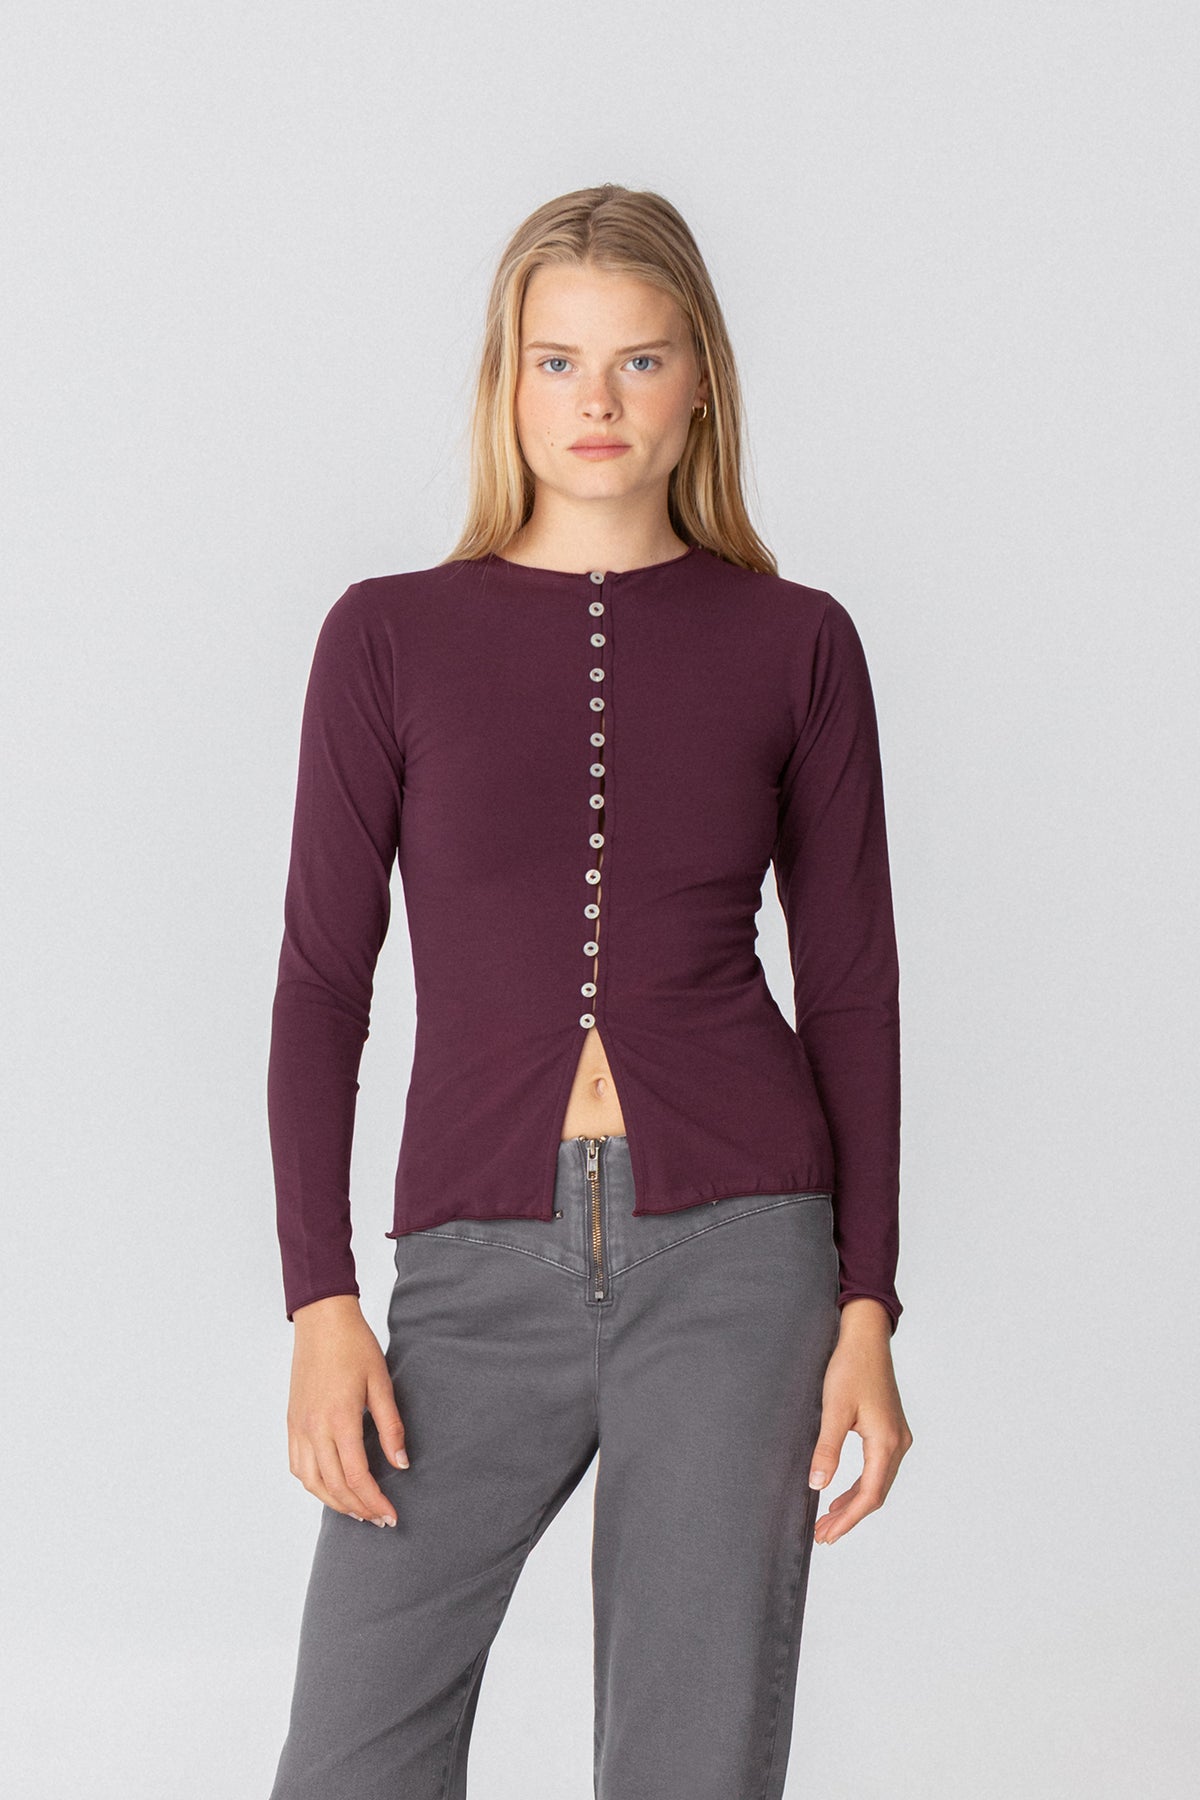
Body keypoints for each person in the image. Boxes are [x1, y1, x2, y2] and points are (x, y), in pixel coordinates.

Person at [265, 182, 913, 1800]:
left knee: (688, 1766)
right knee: (349, 1757)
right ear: (508, 381)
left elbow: (851, 988)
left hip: (742, 1259)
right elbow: (322, 986)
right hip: (471, 1268)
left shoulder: (798, 643)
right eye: (557, 361)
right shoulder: (387, 639)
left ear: (701, 381)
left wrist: (869, 1306)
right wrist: (319, 1300)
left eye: (639, 359)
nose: (597, 402)